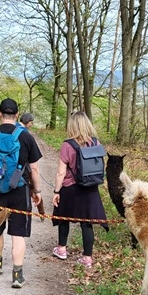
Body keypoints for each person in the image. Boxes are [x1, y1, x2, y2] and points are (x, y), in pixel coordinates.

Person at [0, 98, 43, 288]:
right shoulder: (26, 136)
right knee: (18, 233)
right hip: (19, 189)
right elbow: (35, 169)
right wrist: (37, 191)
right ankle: (17, 275)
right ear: (18, 114)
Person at [51, 111, 108, 269]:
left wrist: (56, 191)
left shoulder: (67, 145)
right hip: (90, 188)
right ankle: (87, 258)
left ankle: (61, 248)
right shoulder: (96, 143)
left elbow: (61, 172)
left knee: (64, 217)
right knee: (87, 223)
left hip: (70, 187)